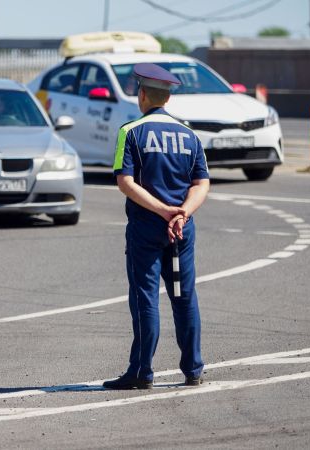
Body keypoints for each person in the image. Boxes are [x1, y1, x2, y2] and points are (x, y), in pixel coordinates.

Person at [103, 63, 210, 390]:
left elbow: (125, 182)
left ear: (144, 94)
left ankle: (142, 371)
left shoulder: (130, 132)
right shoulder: (189, 134)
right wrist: (182, 213)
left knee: (145, 297)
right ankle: (193, 368)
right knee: (183, 295)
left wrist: (163, 211)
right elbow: (201, 183)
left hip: (147, 229)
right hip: (181, 231)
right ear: (168, 98)